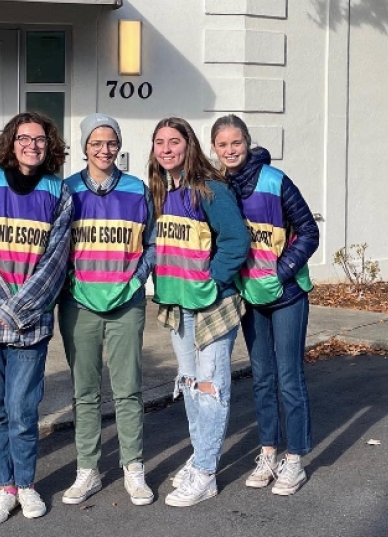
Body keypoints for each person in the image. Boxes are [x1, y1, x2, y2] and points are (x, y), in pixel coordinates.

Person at [0, 111, 73, 525]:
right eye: (24, 138)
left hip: (32, 319)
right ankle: (4, 487)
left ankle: (25, 483)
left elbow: (55, 261)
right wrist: (3, 307)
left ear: (50, 145)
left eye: (40, 139)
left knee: (23, 410)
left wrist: (19, 309)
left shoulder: (58, 191)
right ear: (10, 142)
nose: (32, 145)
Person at [211, 114, 318, 496]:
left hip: (287, 294)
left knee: (289, 377)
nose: (230, 150)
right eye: (222, 145)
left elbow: (309, 230)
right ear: (215, 149)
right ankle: (268, 451)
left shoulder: (275, 181)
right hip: (250, 296)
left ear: (247, 141)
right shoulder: (220, 188)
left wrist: (283, 270)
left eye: (236, 142)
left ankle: (295, 459)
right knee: (262, 378)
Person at [148, 117, 250, 508]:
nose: (167, 149)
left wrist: (213, 282)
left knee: (211, 387)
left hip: (211, 305)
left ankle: (206, 472)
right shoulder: (162, 190)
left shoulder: (210, 189)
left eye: (175, 141)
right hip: (178, 305)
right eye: (160, 142)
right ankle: (200, 456)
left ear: (190, 145)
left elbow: (236, 241)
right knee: (190, 383)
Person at [58, 114, 157, 506]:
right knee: (84, 392)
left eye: (111, 142)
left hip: (125, 303)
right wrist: (70, 283)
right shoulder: (66, 191)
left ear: (119, 145)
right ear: (84, 146)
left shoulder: (136, 190)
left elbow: (152, 244)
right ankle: (88, 470)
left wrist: (135, 282)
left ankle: (133, 467)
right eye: (96, 142)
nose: (104, 149)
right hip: (78, 303)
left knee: (128, 389)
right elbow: (54, 247)